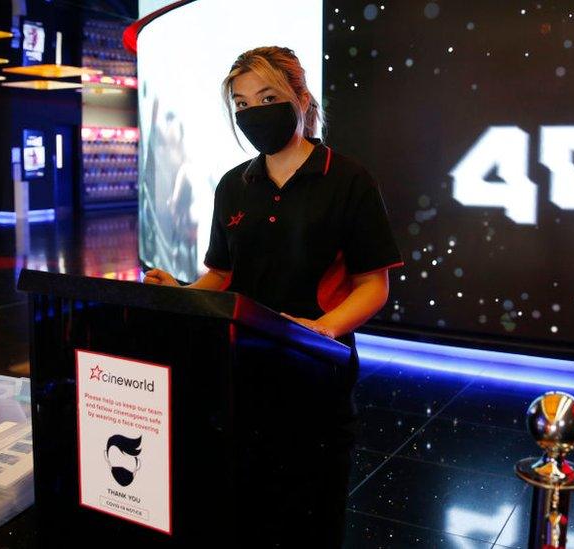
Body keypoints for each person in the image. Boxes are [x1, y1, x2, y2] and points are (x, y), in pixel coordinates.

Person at [144, 46, 401, 546]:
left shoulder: (349, 180)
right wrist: (178, 294)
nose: (252, 112)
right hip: (242, 370)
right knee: (247, 504)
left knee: (311, 511)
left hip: (316, 371)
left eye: (267, 97)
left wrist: (320, 329)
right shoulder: (233, 186)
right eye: (241, 104)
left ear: (301, 98)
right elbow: (220, 277)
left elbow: (374, 286)